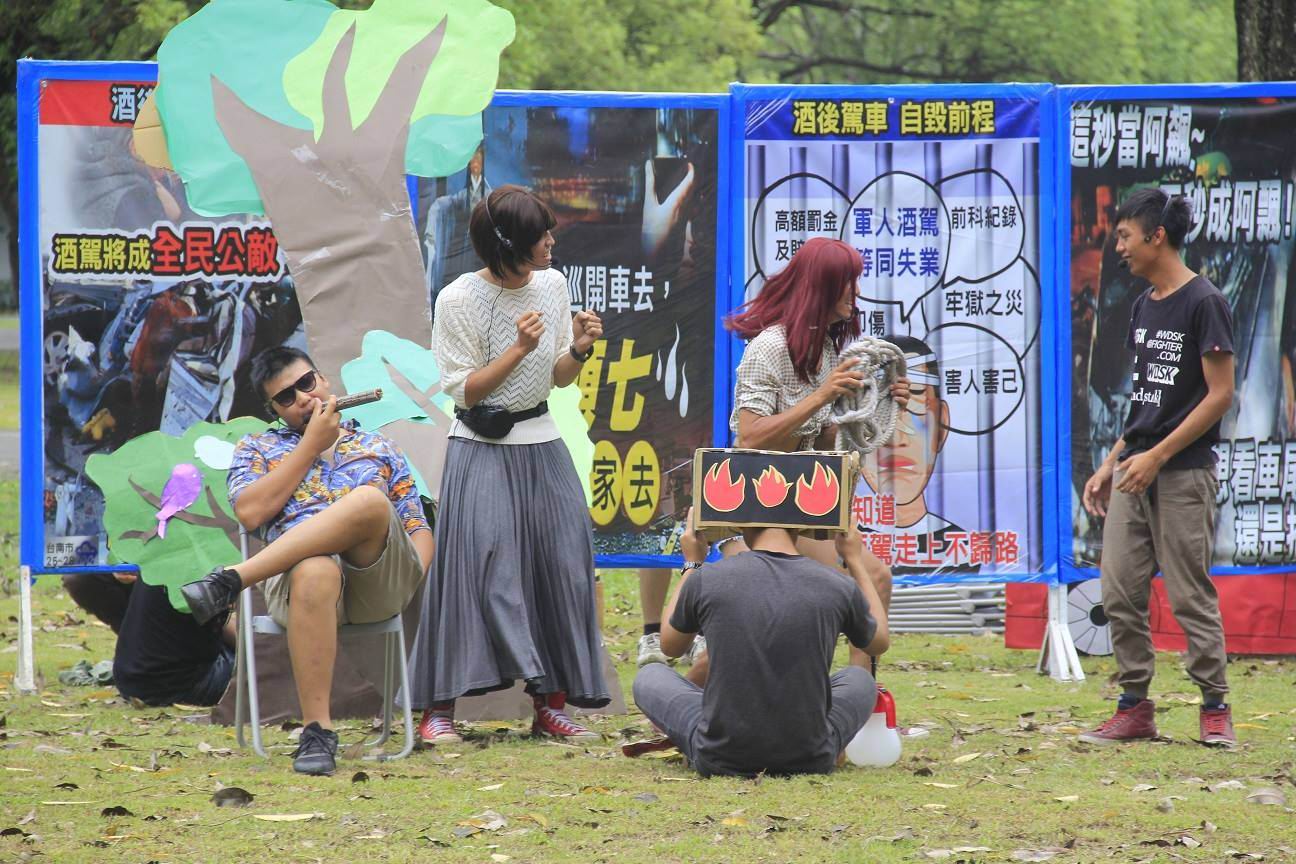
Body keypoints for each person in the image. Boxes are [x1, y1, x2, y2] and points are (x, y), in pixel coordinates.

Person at [405, 184, 610, 744]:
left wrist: (579, 348)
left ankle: (551, 702)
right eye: (539, 234)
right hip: (481, 447)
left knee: (564, 563)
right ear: (507, 244)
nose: (550, 242)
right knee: (476, 568)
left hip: (543, 440)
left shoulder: (553, 285)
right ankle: (437, 710)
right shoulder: (457, 300)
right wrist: (516, 350)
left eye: (548, 232)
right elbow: (464, 391)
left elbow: (558, 377)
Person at [179, 345, 434, 775]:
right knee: (315, 567)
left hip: (378, 580)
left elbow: (416, 527)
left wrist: (409, 576)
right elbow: (250, 513)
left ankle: (231, 580)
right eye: (286, 397)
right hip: (297, 589)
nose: (302, 398)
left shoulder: (378, 446)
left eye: (306, 383)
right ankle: (318, 732)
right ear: (273, 409)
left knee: (370, 502)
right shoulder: (256, 449)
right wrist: (309, 447)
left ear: (324, 380)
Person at [1079, 189, 1236, 747]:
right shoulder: (1145, 303)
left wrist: (1157, 456)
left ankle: (1214, 705)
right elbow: (1148, 399)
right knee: (1118, 590)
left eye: (1123, 235)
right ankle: (1134, 705)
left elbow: (1219, 396)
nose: (1117, 245)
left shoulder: (1205, 301)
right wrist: (1113, 460)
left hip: (1182, 472)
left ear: (1156, 236)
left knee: (1190, 592)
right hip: (1134, 470)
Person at [726, 236, 906, 664]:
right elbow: (749, 437)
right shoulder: (768, 348)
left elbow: (823, 439)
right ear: (823, 286)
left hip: (799, 503)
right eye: (849, 282)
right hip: (755, 505)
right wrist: (822, 397)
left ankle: (858, 707)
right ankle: (681, 713)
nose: (856, 292)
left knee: (875, 578)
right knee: (742, 646)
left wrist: (878, 403)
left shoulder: (824, 347)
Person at [632, 511, 890, 777]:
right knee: (860, 679)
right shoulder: (837, 584)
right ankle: (829, 743)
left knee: (650, 675)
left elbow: (669, 646)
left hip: (717, 754)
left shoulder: (707, 578)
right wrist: (854, 560)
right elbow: (878, 642)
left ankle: (709, 724)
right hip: (813, 756)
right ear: (803, 529)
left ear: (738, 525)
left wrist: (693, 563)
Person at [114, 576, 236, 707]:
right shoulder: (203, 567)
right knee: (257, 665)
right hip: (180, 685)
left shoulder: (163, 560)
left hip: (131, 681)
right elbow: (244, 639)